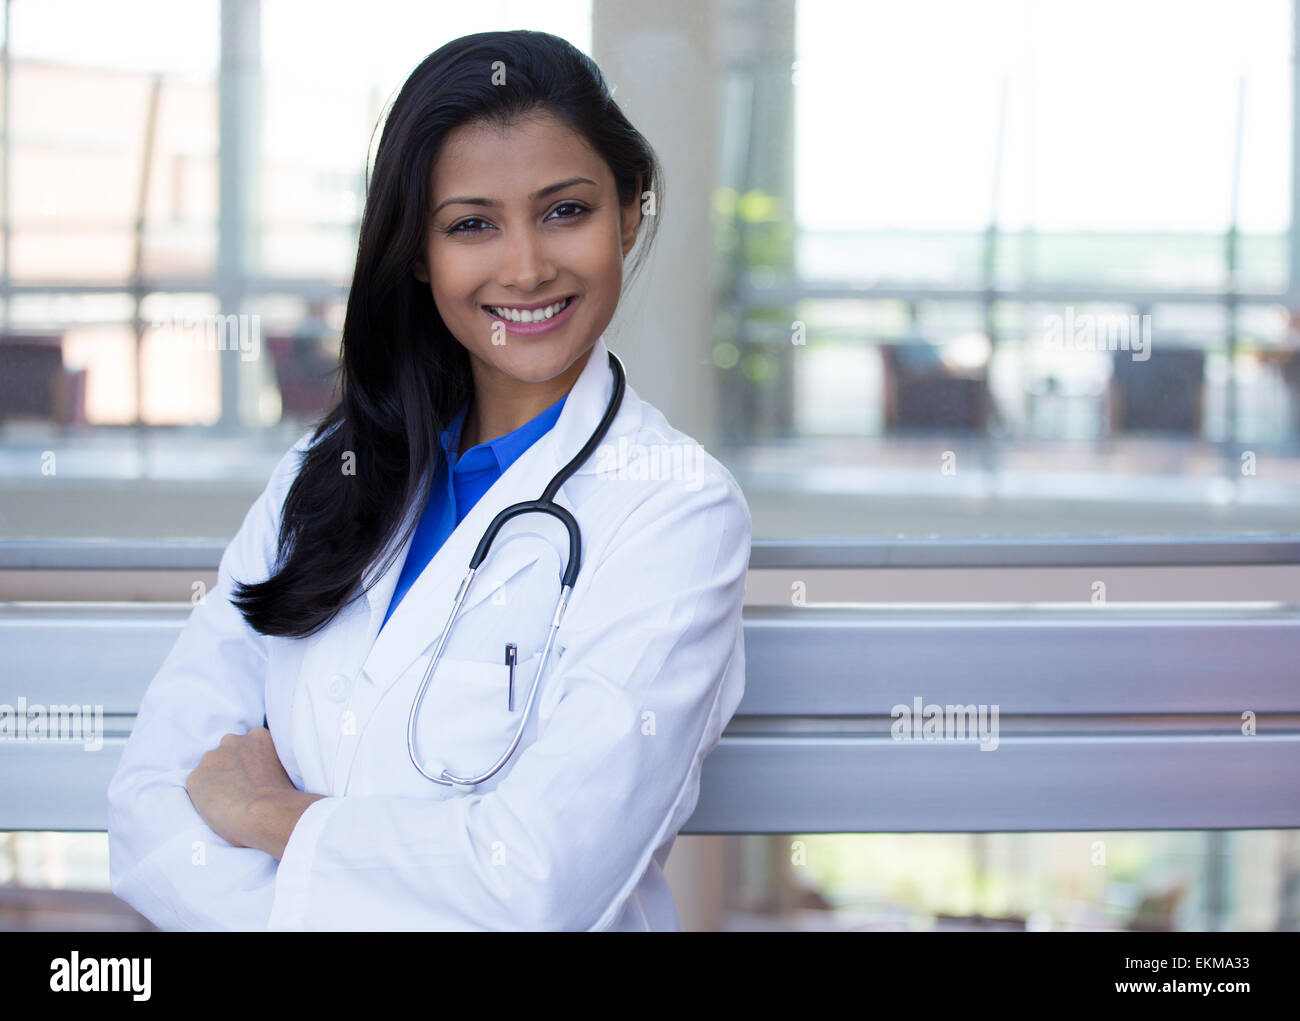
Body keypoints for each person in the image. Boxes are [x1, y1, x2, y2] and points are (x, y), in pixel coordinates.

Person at [106, 29, 751, 931]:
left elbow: (537, 886)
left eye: (566, 211)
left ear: (630, 213)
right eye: (471, 224)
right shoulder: (320, 479)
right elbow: (150, 806)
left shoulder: (678, 510)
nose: (526, 266)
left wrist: (270, 817)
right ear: (417, 251)